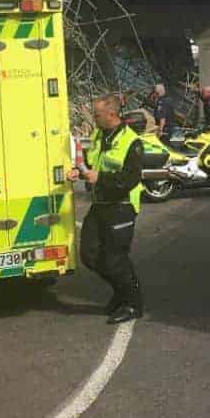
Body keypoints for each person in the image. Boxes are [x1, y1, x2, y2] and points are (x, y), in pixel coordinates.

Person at [67, 94, 145, 324]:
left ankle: (133, 304)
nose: (94, 117)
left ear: (112, 114)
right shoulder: (99, 134)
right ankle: (121, 293)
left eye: (97, 114)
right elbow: (91, 163)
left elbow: (130, 179)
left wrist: (100, 178)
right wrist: (78, 172)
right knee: (89, 255)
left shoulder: (132, 142)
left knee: (115, 259)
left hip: (121, 205)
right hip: (100, 204)